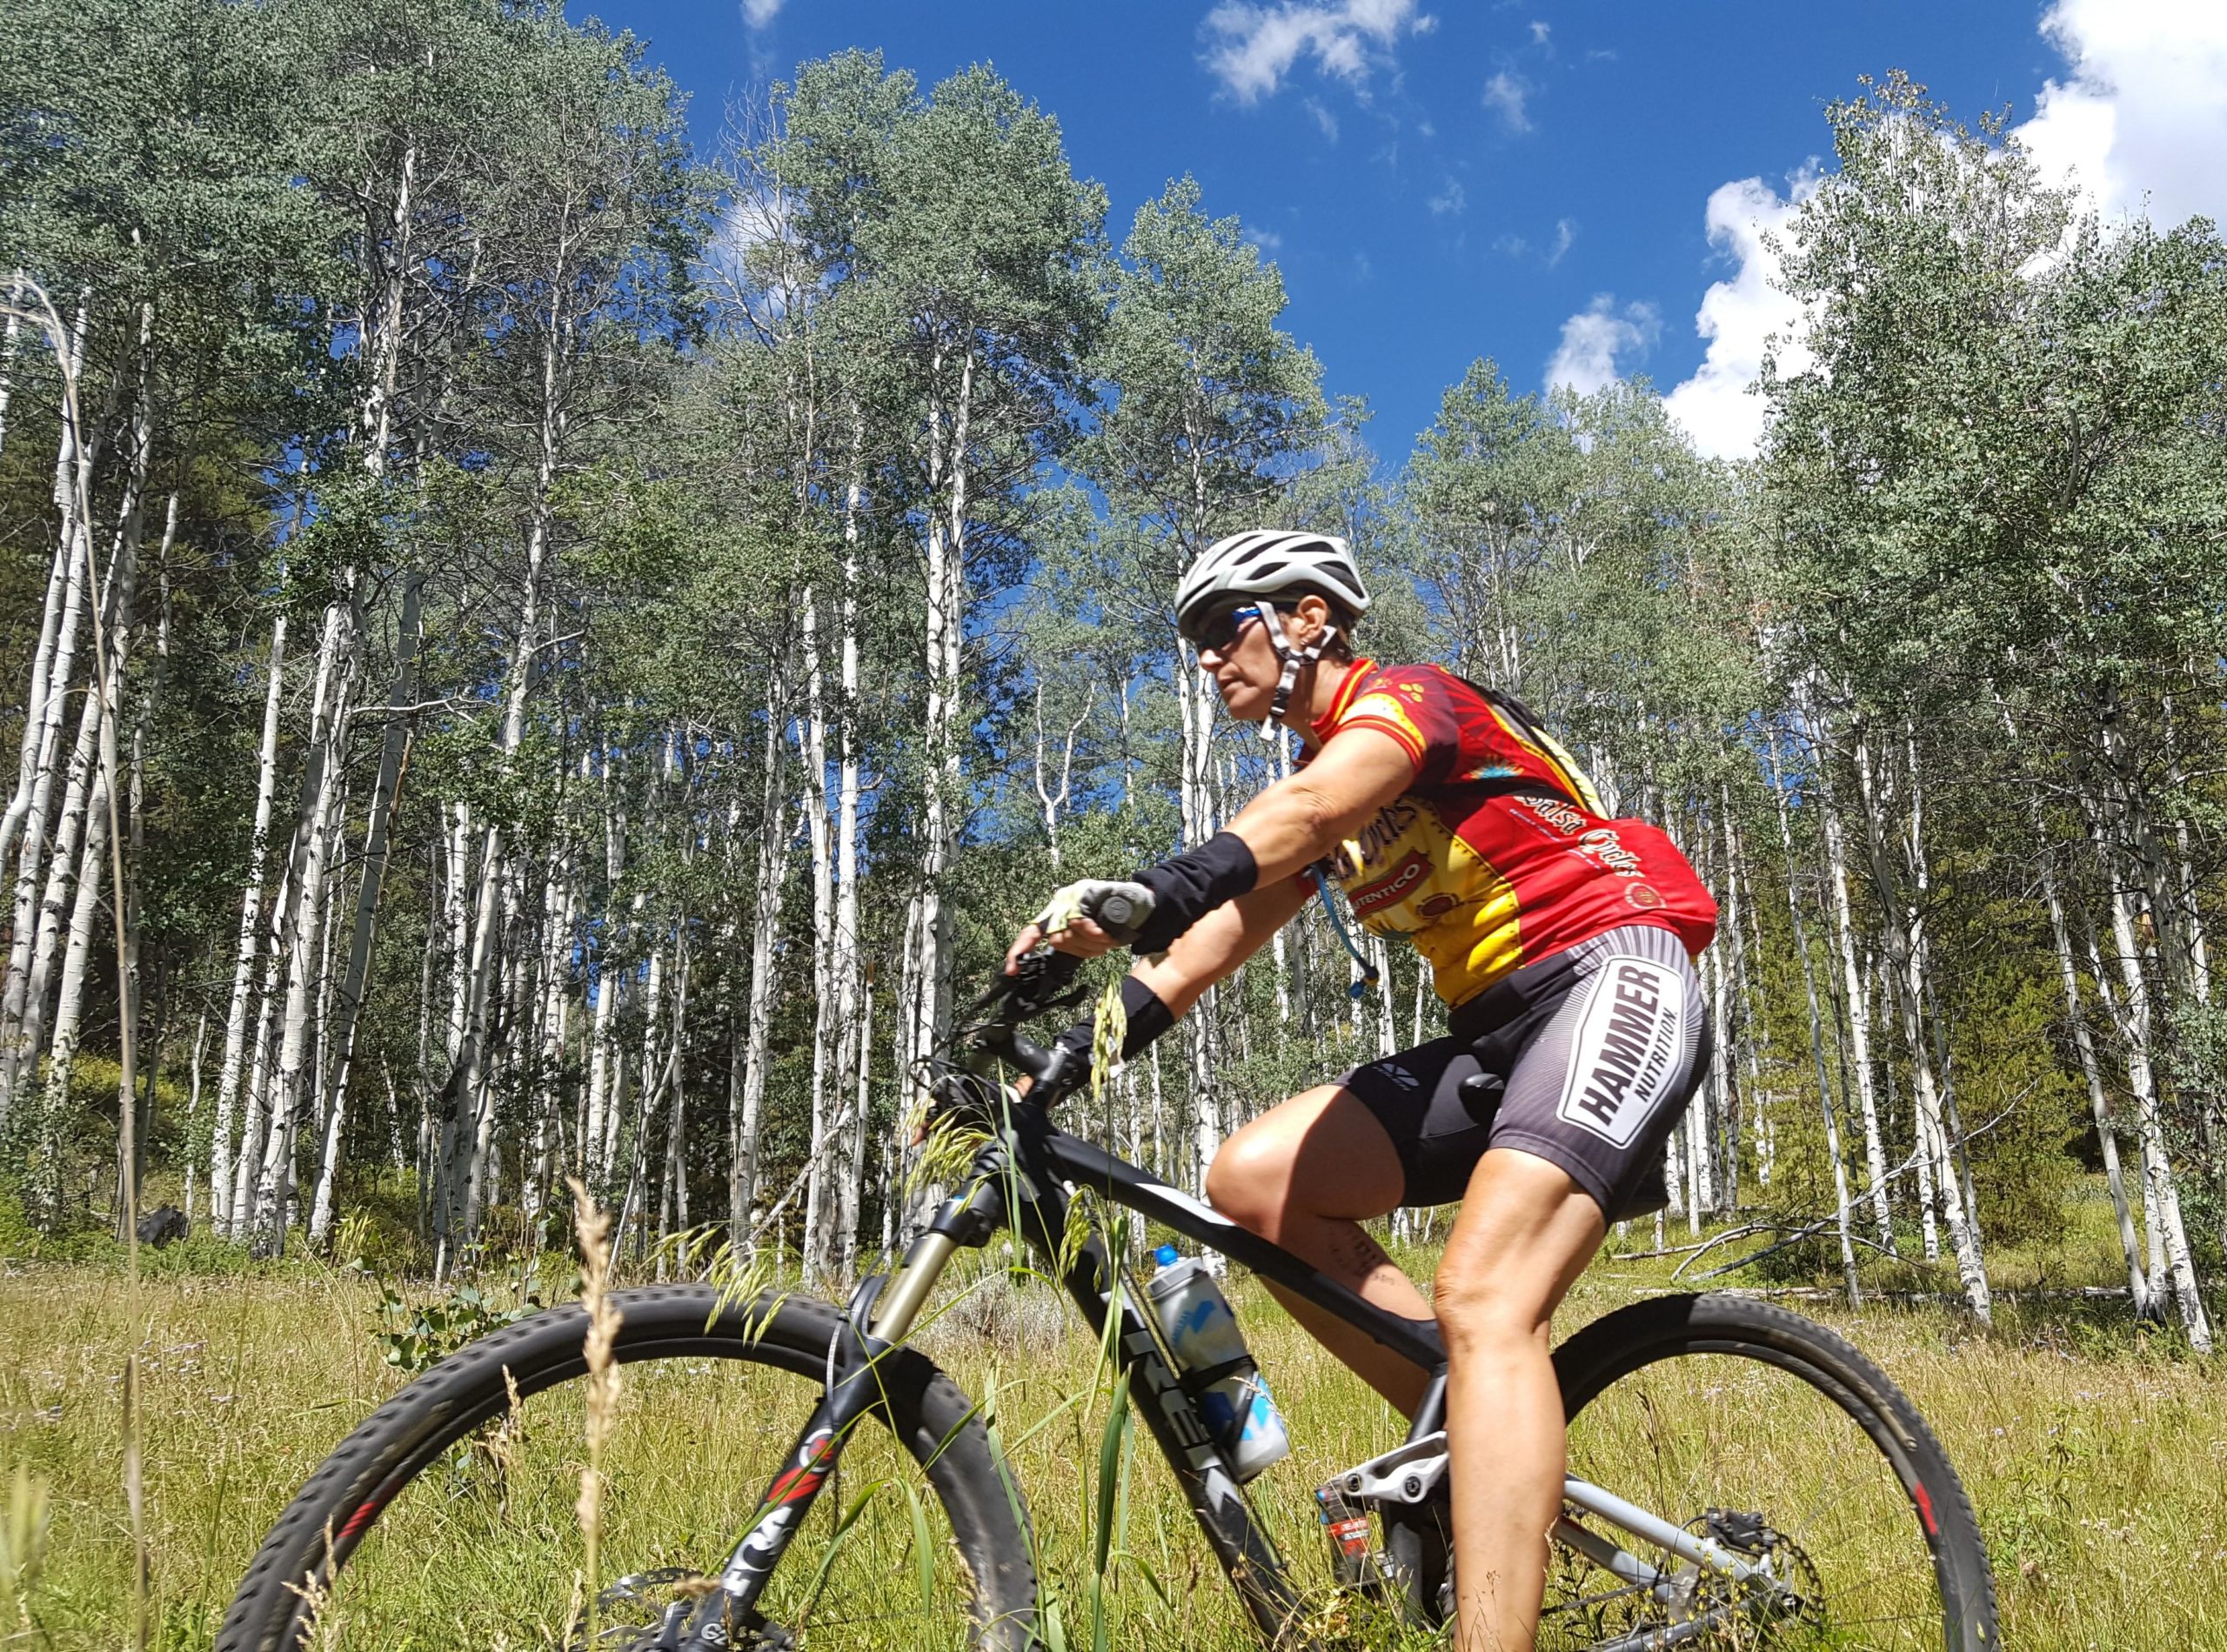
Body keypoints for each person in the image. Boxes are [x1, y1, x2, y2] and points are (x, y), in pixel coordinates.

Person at [1002, 528, 1719, 1652]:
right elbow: (1201, 953)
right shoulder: (1314, 786)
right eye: (1189, 640)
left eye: (1217, 628)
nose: (1201, 659)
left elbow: (1309, 816)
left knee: (1486, 1298)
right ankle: (1461, 1433)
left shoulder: (1409, 706)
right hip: (1498, 1035)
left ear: (1306, 619)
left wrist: (1149, 887)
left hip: (1612, 975)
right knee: (1254, 1179)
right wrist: (1065, 1049)